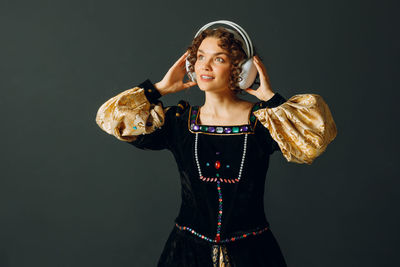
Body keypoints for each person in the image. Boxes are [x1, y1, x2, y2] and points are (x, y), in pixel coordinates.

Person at [95, 23, 337, 267]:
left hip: (253, 255)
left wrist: (271, 99)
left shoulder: (264, 122)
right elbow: (111, 119)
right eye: (200, 57)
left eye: (218, 59)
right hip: (185, 255)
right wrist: (158, 89)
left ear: (242, 69)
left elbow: (314, 138)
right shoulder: (178, 122)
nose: (204, 66)